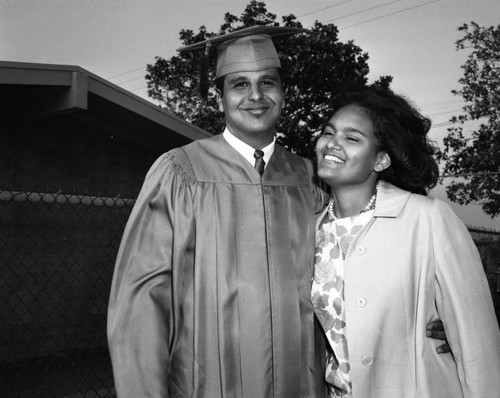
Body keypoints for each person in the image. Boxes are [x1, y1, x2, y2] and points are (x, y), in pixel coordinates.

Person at [107, 25, 329, 398]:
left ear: (283, 93)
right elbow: (142, 302)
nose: (256, 96)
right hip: (207, 385)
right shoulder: (181, 172)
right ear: (219, 97)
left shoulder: (311, 179)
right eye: (239, 84)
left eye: (268, 83)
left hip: (302, 384)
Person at [311, 86, 500, 397]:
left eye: (352, 138)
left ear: (381, 160)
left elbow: (477, 344)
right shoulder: (310, 229)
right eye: (328, 132)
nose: (333, 143)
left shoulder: (428, 219)